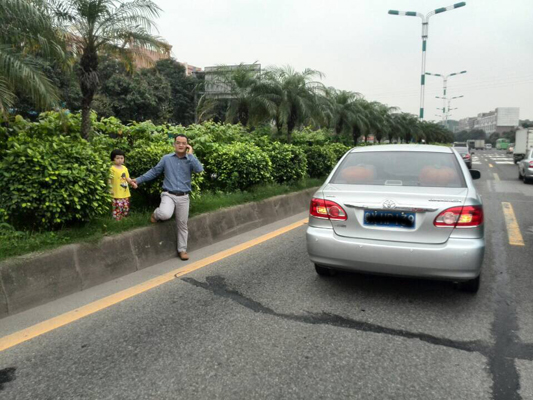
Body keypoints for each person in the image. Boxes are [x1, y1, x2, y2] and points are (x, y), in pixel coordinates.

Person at [132, 134, 204, 261]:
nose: (180, 145)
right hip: (168, 194)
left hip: (183, 196)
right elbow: (154, 171)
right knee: (165, 214)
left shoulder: (190, 159)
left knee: (182, 224)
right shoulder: (166, 159)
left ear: (187, 145)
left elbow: (199, 170)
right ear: (174, 144)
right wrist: (138, 180)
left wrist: (191, 155)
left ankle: (182, 250)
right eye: (178, 142)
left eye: (183, 143)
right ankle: (156, 214)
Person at [110, 149, 137, 221]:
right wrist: (109, 189)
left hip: (125, 192)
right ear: (113, 159)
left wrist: (132, 183)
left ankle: (124, 219)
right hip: (116, 193)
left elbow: (127, 178)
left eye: (122, 158)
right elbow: (109, 179)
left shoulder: (125, 168)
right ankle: (117, 220)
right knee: (117, 207)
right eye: (117, 158)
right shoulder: (111, 169)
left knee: (125, 206)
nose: (120, 160)